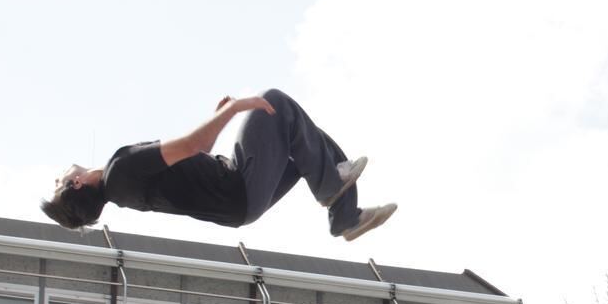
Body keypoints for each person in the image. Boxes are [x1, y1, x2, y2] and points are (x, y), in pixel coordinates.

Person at [41, 88, 396, 241]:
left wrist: (215, 118)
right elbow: (195, 144)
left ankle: (346, 217)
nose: (61, 174)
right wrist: (233, 111)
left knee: (301, 138)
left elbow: (190, 170)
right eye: (59, 181)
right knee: (273, 103)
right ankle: (335, 192)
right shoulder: (120, 168)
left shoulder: (122, 192)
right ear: (75, 184)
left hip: (237, 206)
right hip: (240, 184)